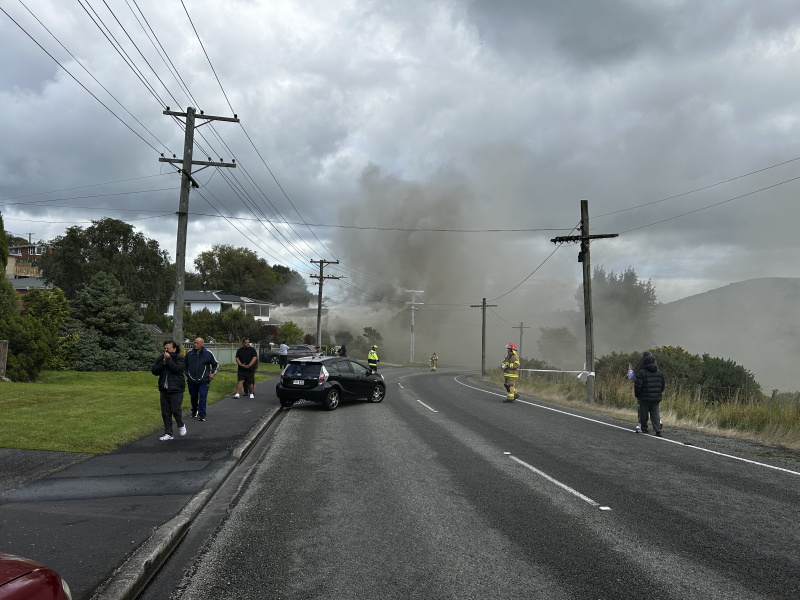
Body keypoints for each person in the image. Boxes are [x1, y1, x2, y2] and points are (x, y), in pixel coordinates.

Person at [151, 340, 186, 441]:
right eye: (165, 348)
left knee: (175, 410)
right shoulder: (161, 358)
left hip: (176, 388)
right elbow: (154, 371)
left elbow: (176, 369)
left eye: (168, 348)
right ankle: (168, 433)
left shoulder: (179, 358)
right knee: (165, 412)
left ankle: (181, 424)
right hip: (164, 389)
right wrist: (163, 363)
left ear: (174, 349)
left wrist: (169, 359)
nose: (166, 351)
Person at [184, 337, 218, 422]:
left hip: (204, 380)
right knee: (193, 397)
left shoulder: (208, 353)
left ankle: (202, 414)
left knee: (203, 396)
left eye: (197, 343)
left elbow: (215, 364)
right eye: (195, 342)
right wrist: (186, 374)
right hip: (191, 380)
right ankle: (194, 411)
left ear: (202, 344)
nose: (195, 344)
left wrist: (212, 373)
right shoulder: (189, 354)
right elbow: (184, 365)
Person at [634, 355, 665, 436]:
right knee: (655, 414)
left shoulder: (641, 373)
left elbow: (638, 386)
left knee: (643, 414)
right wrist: (658, 393)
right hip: (656, 397)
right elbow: (662, 386)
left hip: (644, 397)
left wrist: (637, 395)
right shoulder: (660, 373)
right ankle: (658, 429)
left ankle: (644, 428)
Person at [631, 350, 653, 432]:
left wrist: (637, 392)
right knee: (654, 408)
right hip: (653, 391)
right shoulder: (654, 367)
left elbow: (635, 380)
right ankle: (657, 423)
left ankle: (641, 424)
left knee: (641, 409)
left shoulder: (639, 367)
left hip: (642, 392)